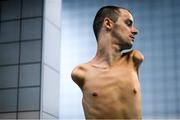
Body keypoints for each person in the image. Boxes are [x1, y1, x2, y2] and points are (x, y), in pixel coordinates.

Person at [71, 6, 144, 119]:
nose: (135, 31)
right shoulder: (81, 73)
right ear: (108, 23)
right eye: (128, 23)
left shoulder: (134, 60)